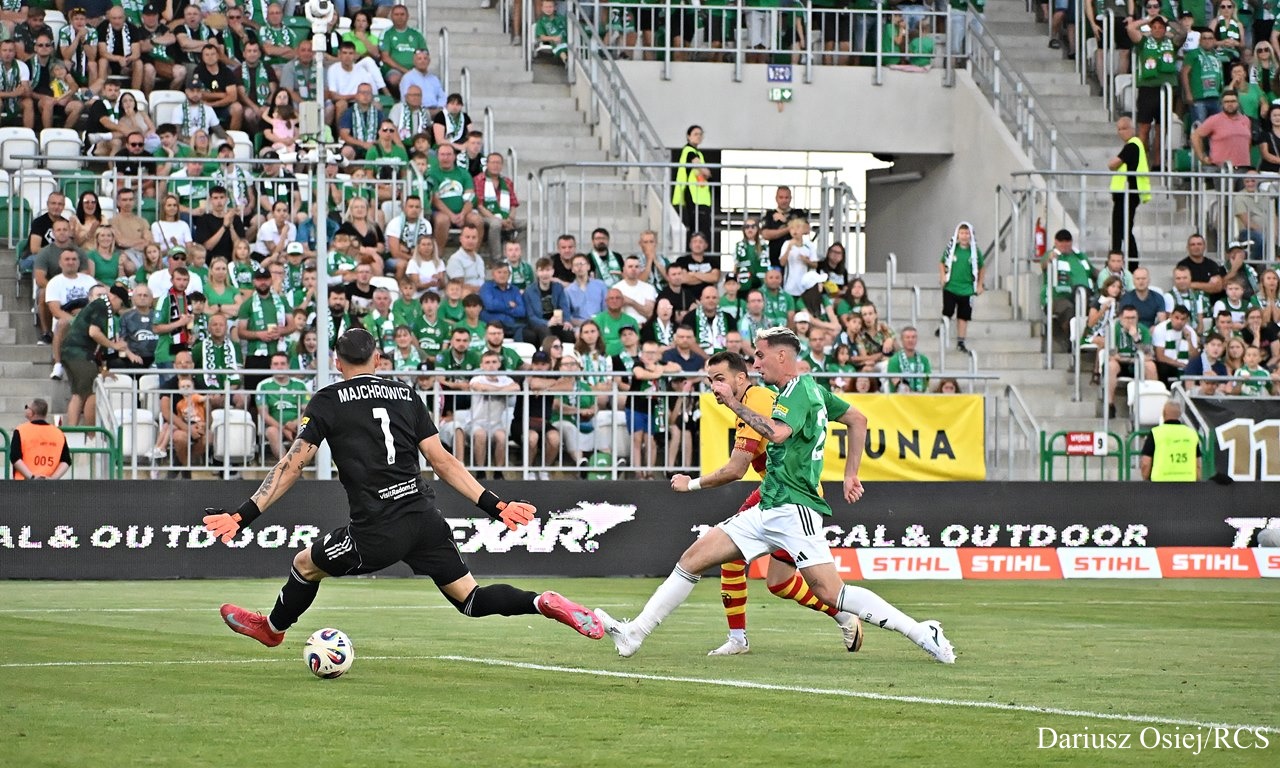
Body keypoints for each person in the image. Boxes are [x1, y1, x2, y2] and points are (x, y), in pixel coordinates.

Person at [209, 328, 605, 647]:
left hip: (376, 529)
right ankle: (540, 601)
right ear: (378, 359)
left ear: (337, 362)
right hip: (424, 518)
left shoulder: (327, 400)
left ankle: (272, 629)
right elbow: (443, 461)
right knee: (470, 598)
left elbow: (292, 466)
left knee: (304, 565)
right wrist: (496, 505)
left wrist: (242, 516)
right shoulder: (405, 394)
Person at [596, 327, 954, 663]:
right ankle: (634, 633)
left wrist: (732, 406)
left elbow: (777, 434)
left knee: (832, 593)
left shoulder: (793, 393)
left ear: (781, 357)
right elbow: (857, 420)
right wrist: (850, 474)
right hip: (769, 504)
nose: (755, 363)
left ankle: (923, 632)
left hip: (795, 508)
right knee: (694, 558)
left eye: (759, 356)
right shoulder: (811, 389)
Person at [670, 352, 863, 656]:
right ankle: (843, 616)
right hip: (777, 492)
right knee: (778, 583)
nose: (714, 387)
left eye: (719, 379)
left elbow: (735, 469)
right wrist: (850, 474)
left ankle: (739, 638)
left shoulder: (756, 400)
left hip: (789, 496)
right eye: (710, 381)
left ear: (740, 378)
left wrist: (691, 484)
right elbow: (856, 418)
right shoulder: (764, 398)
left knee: (736, 559)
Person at [1107, 117, 1150, 270]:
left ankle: (1124, 264)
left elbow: (1113, 164)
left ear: (1132, 129)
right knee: (1122, 230)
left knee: (1121, 230)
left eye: (1124, 128)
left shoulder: (1133, 145)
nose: (1121, 132)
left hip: (1128, 193)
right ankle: (1122, 263)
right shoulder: (1133, 145)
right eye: (1119, 129)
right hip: (1125, 193)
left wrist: (1112, 164)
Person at [939, 221, 985, 353]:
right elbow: (942, 262)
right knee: (948, 310)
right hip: (951, 287)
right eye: (962, 233)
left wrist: (979, 284)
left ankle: (961, 341)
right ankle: (942, 328)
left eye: (967, 233)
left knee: (963, 316)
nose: (964, 236)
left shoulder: (975, 251)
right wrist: (943, 276)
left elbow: (981, 267)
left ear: (971, 235)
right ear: (957, 235)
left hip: (967, 290)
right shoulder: (952, 249)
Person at [672, 124, 713, 250]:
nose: (698, 137)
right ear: (688, 136)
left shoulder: (696, 152)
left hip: (698, 196)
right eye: (695, 134)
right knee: (698, 229)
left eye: (700, 134)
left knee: (700, 228)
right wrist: (707, 173)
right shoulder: (689, 151)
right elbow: (704, 171)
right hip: (693, 194)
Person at [1139, 400, 1202, 481]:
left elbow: (1146, 463)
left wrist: (1145, 479)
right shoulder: (1192, 434)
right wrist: (1197, 481)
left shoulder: (1155, 433)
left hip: (1160, 483)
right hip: (1187, 483)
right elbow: (1198, 465)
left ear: (1163, 413)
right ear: (1180, 414)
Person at [10, 399, 71, 480]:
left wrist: (32, 477)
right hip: (49, 484)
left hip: (23, 483)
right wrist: (53, 478)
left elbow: (15, 457)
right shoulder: (58, 433)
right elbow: (66, 461)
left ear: (31, 412)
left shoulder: (21, 430)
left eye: (27, 407)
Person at [886, 326, 931, 393]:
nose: (910, 340)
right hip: (900, 397)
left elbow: (927, 379)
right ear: (902, 340)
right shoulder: (894, 360)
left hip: (921, 396)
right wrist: (913, 394)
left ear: (917, 339)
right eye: (907, 337)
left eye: (913, 337)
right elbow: (896, 382)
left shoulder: (924, 360)